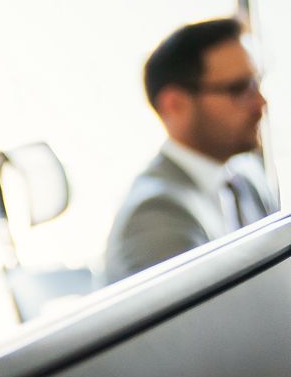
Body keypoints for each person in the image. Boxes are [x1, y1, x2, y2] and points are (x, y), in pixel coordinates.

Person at [104, 16, 276, 284]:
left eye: (256, 83)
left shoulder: (245, 175)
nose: (260, 103)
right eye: (239, 89)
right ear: (174, 104)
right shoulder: (155, 219)